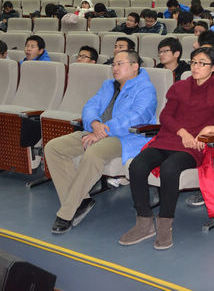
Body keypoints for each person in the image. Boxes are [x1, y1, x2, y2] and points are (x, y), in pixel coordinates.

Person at [120, 46, 214, 249]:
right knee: (137, 166)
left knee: (170, 168)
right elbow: (166, 116)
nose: (196, 67)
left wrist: (212, 128)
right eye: (194, 62)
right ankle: (144, 223)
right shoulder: (179, 87)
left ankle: (165, 225)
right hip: (168, 139)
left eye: (202, 63)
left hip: (192, 147)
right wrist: (182, 132)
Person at [46, 50, 158, 235]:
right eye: (113, 64)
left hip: (127, 138)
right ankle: (82, 201)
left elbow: (137, 117)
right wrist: (94, 123)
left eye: (120, 64)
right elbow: (90, 106)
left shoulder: (145, 89)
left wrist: (103, 130)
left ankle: (67, 212)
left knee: (94, 152)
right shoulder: (108, 85)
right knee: (54, 148)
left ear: (134, 66)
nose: (115, 68)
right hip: (96, 131)